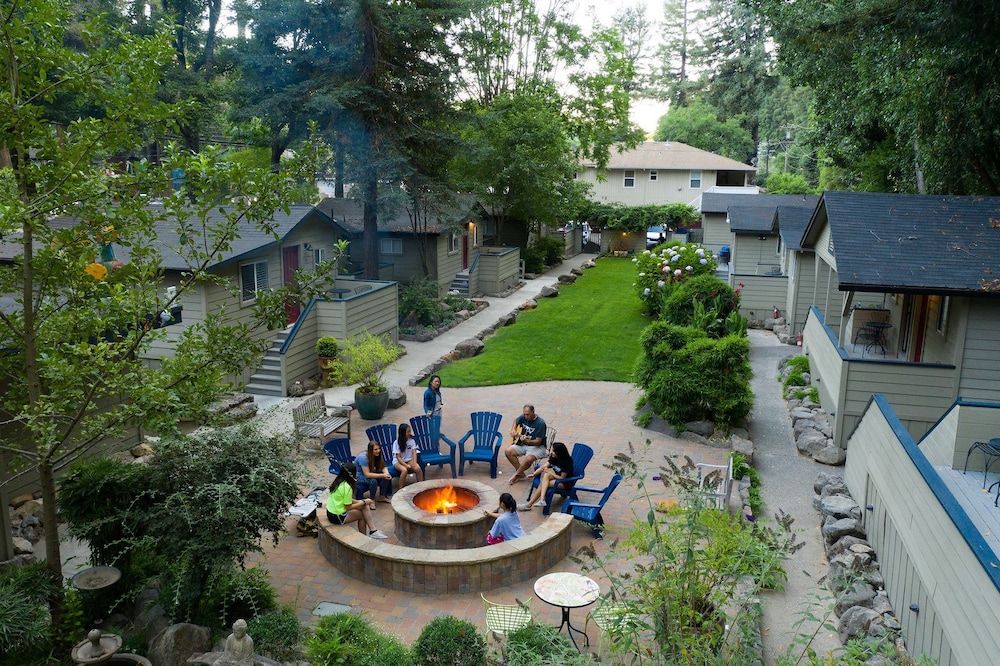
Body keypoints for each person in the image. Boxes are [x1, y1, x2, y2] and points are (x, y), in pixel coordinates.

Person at [325, 461, 389, 539]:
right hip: (337, 516)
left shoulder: (338, 482)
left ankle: (373, 531)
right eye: (356, 472)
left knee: (364, 506)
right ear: (351, 474)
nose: (357, 474)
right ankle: (364, 538)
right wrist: (364, 502)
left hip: (331, 512)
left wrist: (360, 502)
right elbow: (348, 507)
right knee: (362, 515)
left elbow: (344, 500)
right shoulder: (347, 487)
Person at [519, 442, 573, 511]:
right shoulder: (554, 457)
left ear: (559, 453)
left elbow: (562, 478)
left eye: (553, 451)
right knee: (546, 476)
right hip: (557, 478)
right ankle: (541, 500)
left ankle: (529, 504)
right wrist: (533, 474)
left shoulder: (566, 463)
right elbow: (544, 467)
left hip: (565, 482)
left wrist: (550, 472)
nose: (551, 452)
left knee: (543, 483)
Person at [504, 404, 548, 484]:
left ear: (533, 412)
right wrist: (513, 429)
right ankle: (520, 473)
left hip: (537, 446)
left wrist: (527, 441)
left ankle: (516, 474)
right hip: (523, 443)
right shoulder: (523, 416)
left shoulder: (540, 423)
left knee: (528, 459)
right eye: (524, 414)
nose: (526, 416)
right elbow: (516, 420)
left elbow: (538, 441)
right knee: (508, 451)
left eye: (528, 414)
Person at [392, 422, 423, 489]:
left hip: (409, 459)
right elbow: (398, 457)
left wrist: (414, 463)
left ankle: (421, 486)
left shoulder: (411, 440)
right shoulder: (396, 443)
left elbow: (414, 452)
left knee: (417, 468)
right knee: (404, 470)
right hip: (398, 461)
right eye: (407, 432)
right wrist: (405, 465)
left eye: (410, 431)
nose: (409, 433)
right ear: (403, 433)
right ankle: (400, 489)